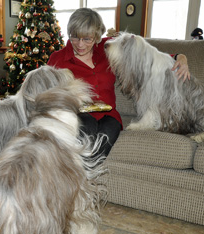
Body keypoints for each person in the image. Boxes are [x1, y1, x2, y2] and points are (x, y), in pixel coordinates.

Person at [47, 8, 190, 156]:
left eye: (87, 39)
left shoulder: (109, 48)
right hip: (78, 113)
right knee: (86, 130)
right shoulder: (58, 59)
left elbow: (144, 55)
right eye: (75, 37)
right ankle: (81, 175)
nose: (80, 44)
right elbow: (46, 91)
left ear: (96, 36)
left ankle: (83, 174)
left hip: (109, 114)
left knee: (109, 133)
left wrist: (179, 57)